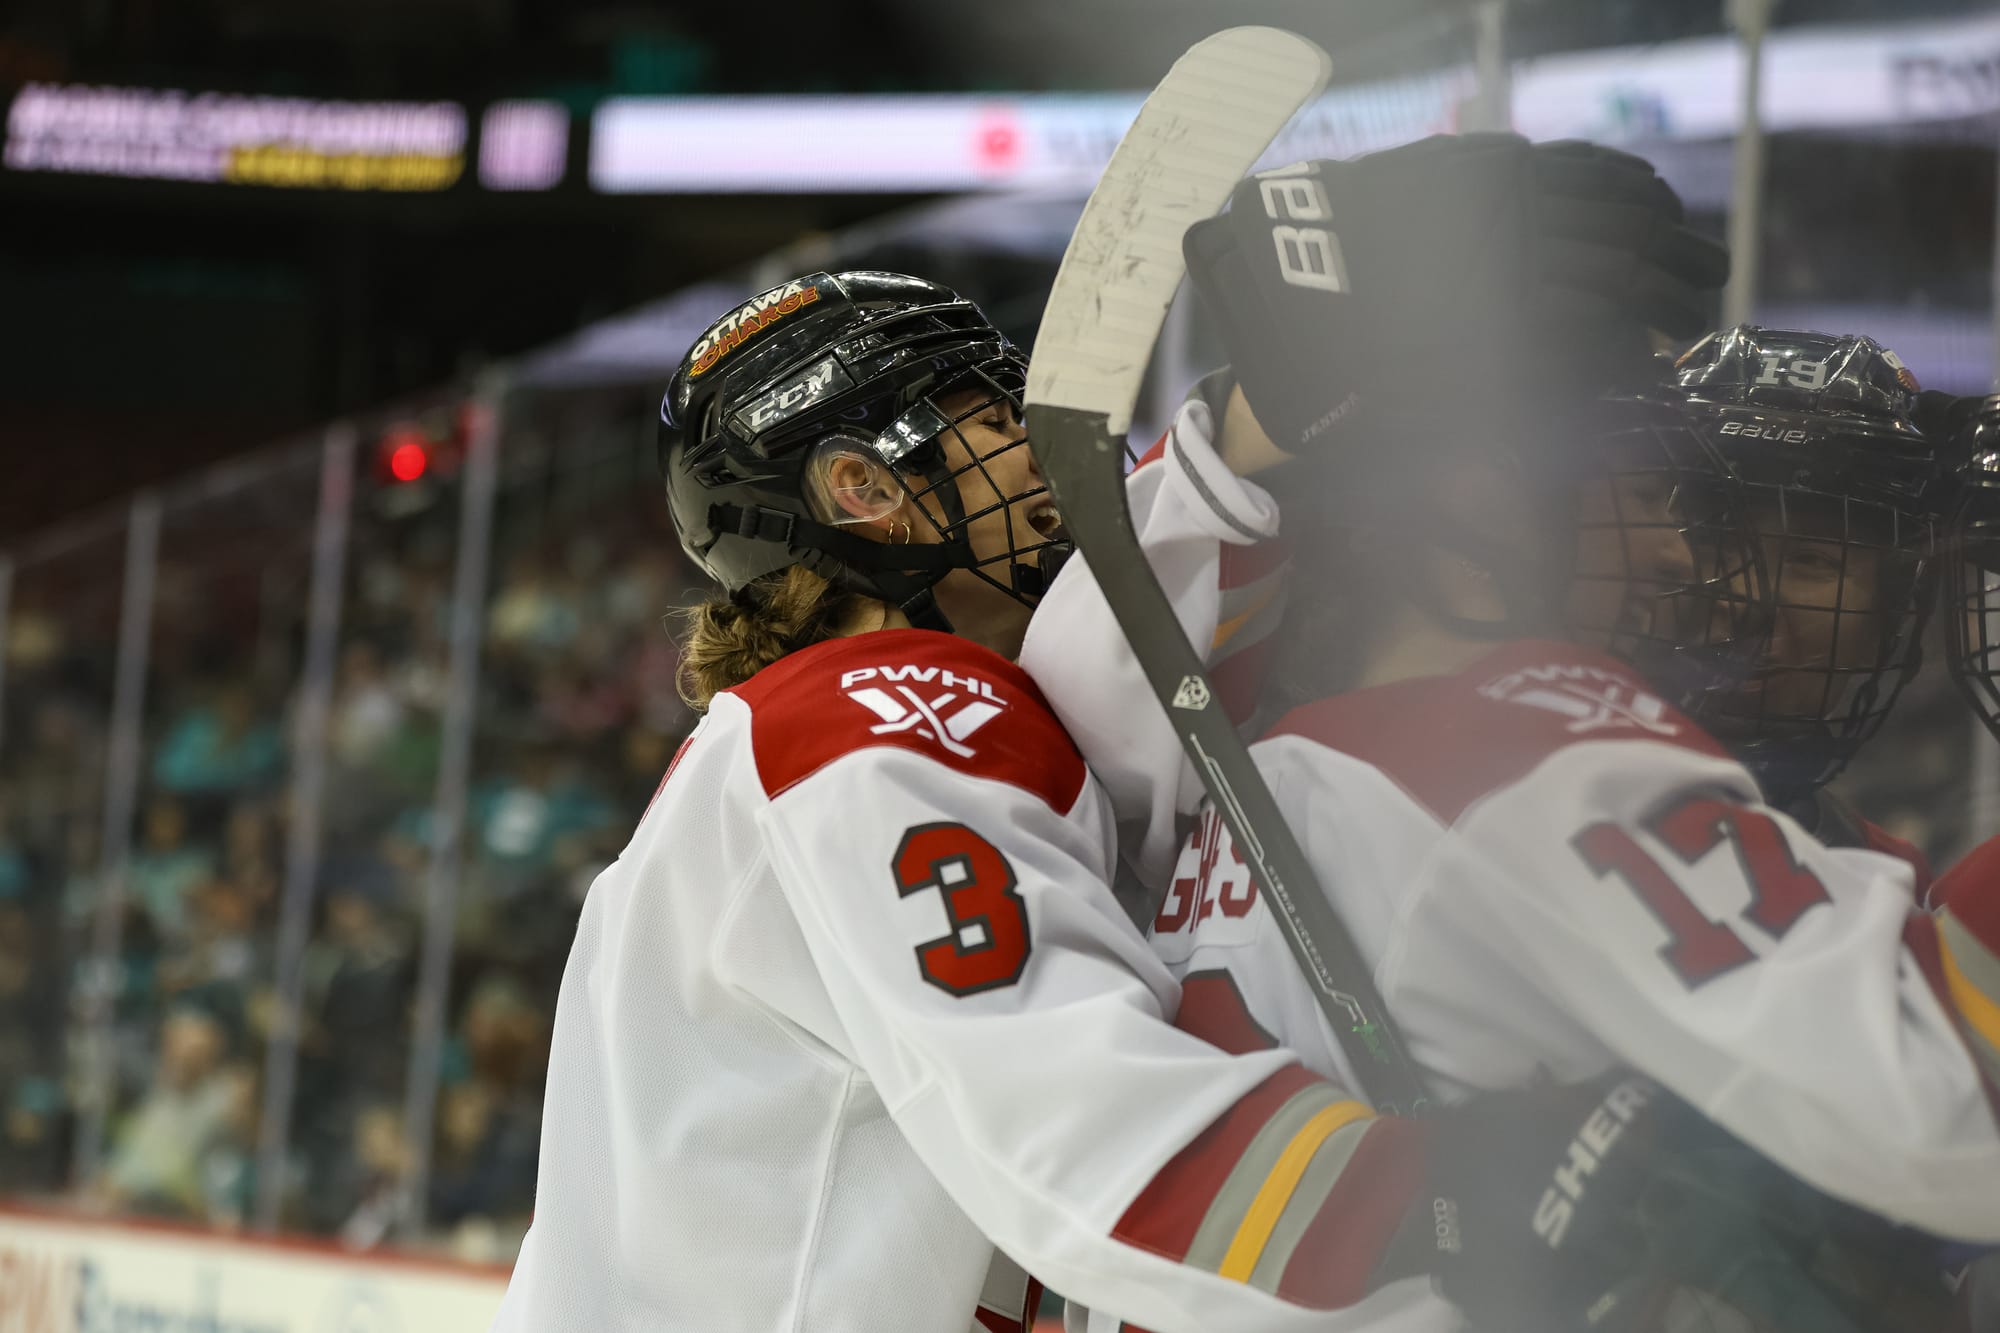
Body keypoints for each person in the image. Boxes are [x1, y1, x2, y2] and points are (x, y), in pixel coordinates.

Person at [493, 163, 1729, 1328]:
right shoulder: (865, 716)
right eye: (978, 416)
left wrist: (1252, 435)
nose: (1034, 441)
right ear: (864, 487)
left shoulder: (855, 725)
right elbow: (1080, 1132)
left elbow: (1105, 696)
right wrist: (1455, 1197)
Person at [1021, 159, 2000, 1330]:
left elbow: (1103, 661)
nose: (1689, 560)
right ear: (1476, 496)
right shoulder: (1520, 746)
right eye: (1641, 489)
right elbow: (1956, 1111)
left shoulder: (1260, 760)